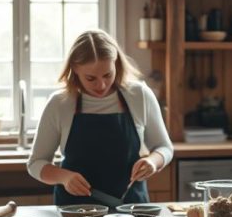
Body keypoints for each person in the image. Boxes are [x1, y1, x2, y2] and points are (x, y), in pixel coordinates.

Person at [27, 30, 173, 206]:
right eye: (90, 78)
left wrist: (153, 162)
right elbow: (35, 163)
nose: (101, 85)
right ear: (75, 69)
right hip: (76, 211)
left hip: (131, 209)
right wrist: (64, 177)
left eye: (107, 75)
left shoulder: (139, 95)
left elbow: (164, 147)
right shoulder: (60, 103)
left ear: (116, 64)